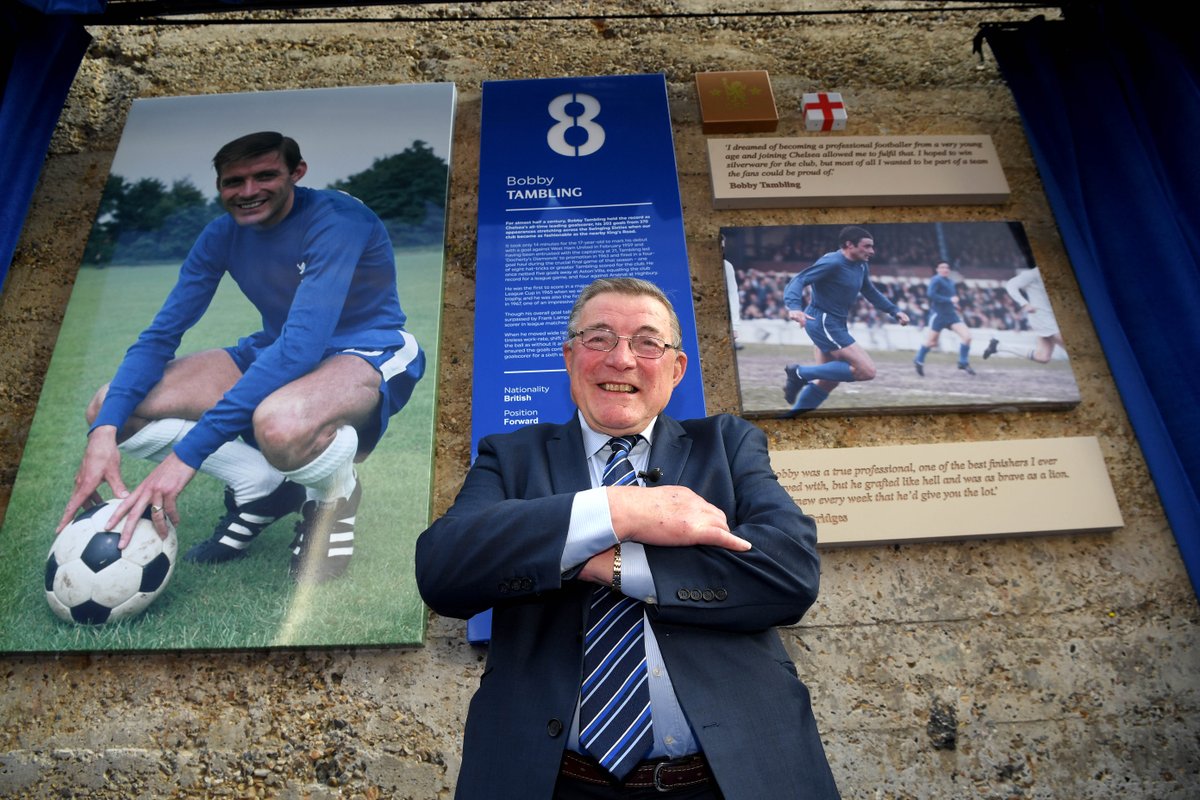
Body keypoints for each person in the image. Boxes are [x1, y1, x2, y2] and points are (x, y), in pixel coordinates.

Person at [416, 278, 839, 800]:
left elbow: (790, 572)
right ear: (570, 358)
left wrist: (606, 563)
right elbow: (444, 568)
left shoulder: (727, 446)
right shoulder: (512, 456)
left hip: (734, 776)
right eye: (599, 339)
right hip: (551, 781)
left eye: (647, 342)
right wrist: (621, 509)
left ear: (676, 368)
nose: (621, 359)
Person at [56, 131, 425, 584]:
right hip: (278, 346)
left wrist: (186, 456)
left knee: (280, 424)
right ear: (219, 186)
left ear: (297, 172)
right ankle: (262, 490)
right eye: (234, 182)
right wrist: (103, 434)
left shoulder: (338, 219)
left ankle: (334, 496)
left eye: (265, 175)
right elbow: (160, 336)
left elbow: (302, 346)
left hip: (366, 347)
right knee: (110, 406)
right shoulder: (220, 235)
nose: (248, 192)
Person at [780, 225, 910, 415]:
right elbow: (799, 280)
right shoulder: (833, 262)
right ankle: (799, 373)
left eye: (872, 247)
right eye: (866, 246)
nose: (871, 251)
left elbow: (869, 291)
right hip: (823, 321)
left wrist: (894, 311)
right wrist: (794, 307)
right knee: (866, 371)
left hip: (835, 323)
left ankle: (789, 419)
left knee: (828, 381)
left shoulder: (861, 264)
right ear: (849, 244)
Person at [982, 266, 1067, 363]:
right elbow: (1011, 285)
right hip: (1043, 318)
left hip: (1051, 318)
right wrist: (1025, 304)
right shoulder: (1034, 273)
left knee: (1043, 357)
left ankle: (998, 346)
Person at [912, 261, 976, 376]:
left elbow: (950, 298)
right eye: (942, 267)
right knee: (932, 343)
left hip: (951, 315)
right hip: (939, 316)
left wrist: (955, 304)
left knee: (967, 337)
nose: (945, 269)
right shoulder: (936, 279)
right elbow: (931, 294)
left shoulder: (950, 282)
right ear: (937, 269)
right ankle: (918, 359)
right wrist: (949, 300)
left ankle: (963, 362)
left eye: (947, 267)